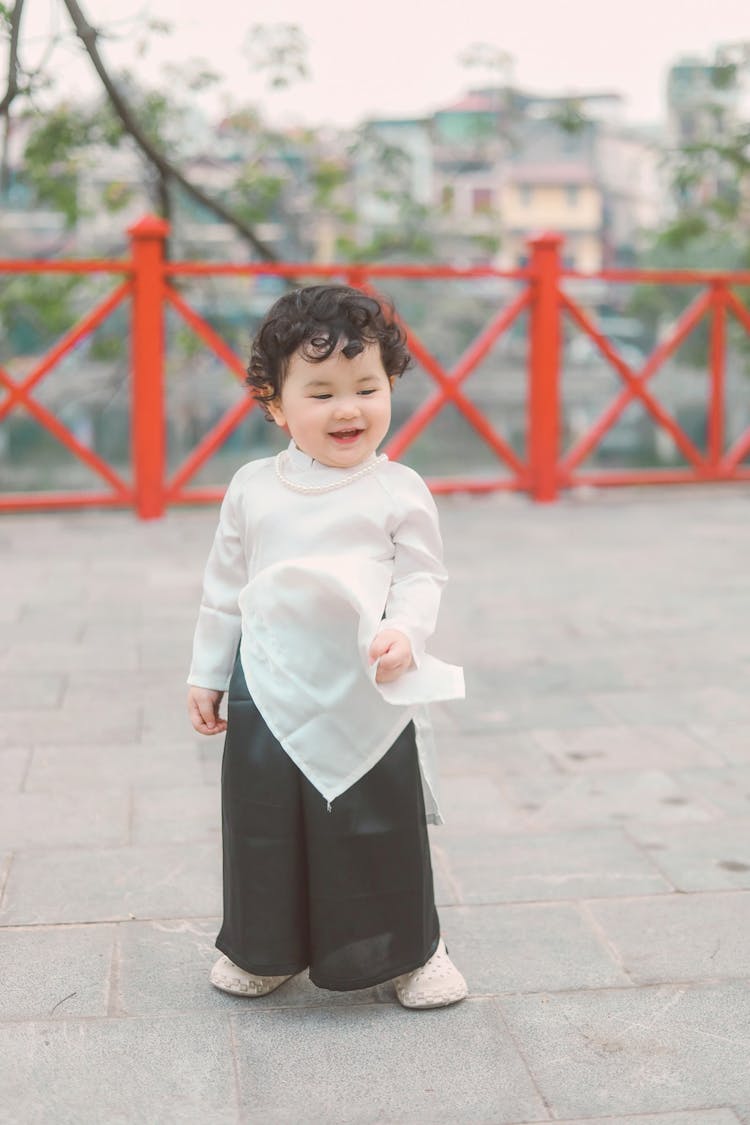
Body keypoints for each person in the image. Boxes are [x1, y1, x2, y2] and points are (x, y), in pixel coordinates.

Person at [187, 284, 467, 1009]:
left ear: (392, 386)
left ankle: (413, 950)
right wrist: (206, 671)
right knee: (263, 821)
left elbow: (422, 576)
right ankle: (263, 947)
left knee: (375, 820)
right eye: (321, 392)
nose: (349, 409)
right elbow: (224, 587)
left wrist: (405, 632)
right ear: (275, 403)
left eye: (367, 387)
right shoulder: (253, 488)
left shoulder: (399, 489)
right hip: (268, 680)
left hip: (364, 679)